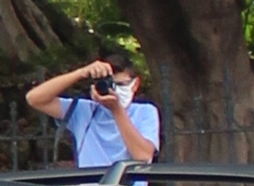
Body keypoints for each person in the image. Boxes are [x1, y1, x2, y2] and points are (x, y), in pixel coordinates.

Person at [26, 54, 162, 170]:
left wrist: (116, 110)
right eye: (110, 85)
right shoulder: (84, 110)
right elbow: (34, 99)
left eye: (121, 85)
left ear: (135, 84)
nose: (115, 91)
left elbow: (143, 156)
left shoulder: (145, 112)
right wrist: (81, 73)